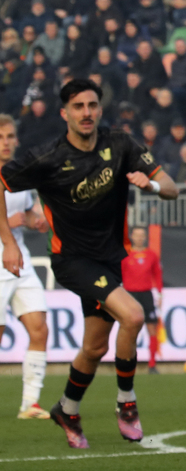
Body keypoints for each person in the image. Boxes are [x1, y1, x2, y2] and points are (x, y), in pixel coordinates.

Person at [0, 79, 177, 448]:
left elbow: (172, 187)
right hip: (72, 260)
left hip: (109, 259)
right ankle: (127, 403)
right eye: (78, 106)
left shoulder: (121, 143)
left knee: (94, 348)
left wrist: (152, 187)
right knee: (132, 315)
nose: (86, 113)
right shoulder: (46, 156)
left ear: (100, 109)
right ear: (65, 113)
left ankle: (67, 408)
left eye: (92, 105)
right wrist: (8, 244)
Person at [0, 113, 50, 419]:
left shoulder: (17, 175)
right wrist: (11, 224)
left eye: (9, 137)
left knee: (39, 327)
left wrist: (35, 220)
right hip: (4, 254)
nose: (6, 143)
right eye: (0, 137)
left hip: (19, 258)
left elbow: (28, 210)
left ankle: (29, 403)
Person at [121, 226, 163, 374]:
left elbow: (157, 274)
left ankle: (152, 364)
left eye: (142, 235)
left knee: (152, 328)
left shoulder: (151, 255)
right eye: (137, 235)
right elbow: (119, 275)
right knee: (130, 330)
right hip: (130, 295)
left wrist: (159, 294)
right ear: (132, 236)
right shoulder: (125, 254)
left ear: (145, 237)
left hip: (146, 295)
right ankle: (127, 363)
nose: (139, 238)